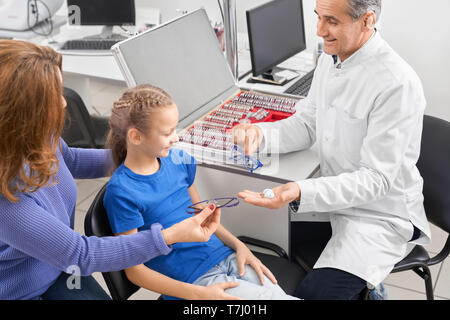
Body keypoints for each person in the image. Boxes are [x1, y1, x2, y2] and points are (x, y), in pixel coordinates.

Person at [0, 40, 229, 300]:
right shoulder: (7, 200)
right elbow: (81, 254)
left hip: (56, 265)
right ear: (24, 112)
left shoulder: (38, 137)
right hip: (20, 289)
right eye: (54, 96)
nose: (64, 103)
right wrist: (170, 235)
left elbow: (70, 158)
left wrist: (139, 153)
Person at [233, 0, 431, 299]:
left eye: (331, 21)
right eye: (318, 18)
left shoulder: (397, 84)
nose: (320, 30)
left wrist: (299, 191)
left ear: (367, 20)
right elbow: (308, 125)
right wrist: (260, 134)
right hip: (334, 202)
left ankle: (370, 290)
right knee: (255, 235)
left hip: (377, 216)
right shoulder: (332, 56)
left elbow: (376, 180)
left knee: (314, 294)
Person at [103, 84, 299, 300]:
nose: (176, 138)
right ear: (136, 137)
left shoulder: (178, 161)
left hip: (226, 257)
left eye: (175, 129)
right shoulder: (122, 192)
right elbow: (135, 271)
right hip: (195, 282)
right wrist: (199, 295)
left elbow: (202, 215)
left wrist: (240, 246)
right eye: (168, 133)